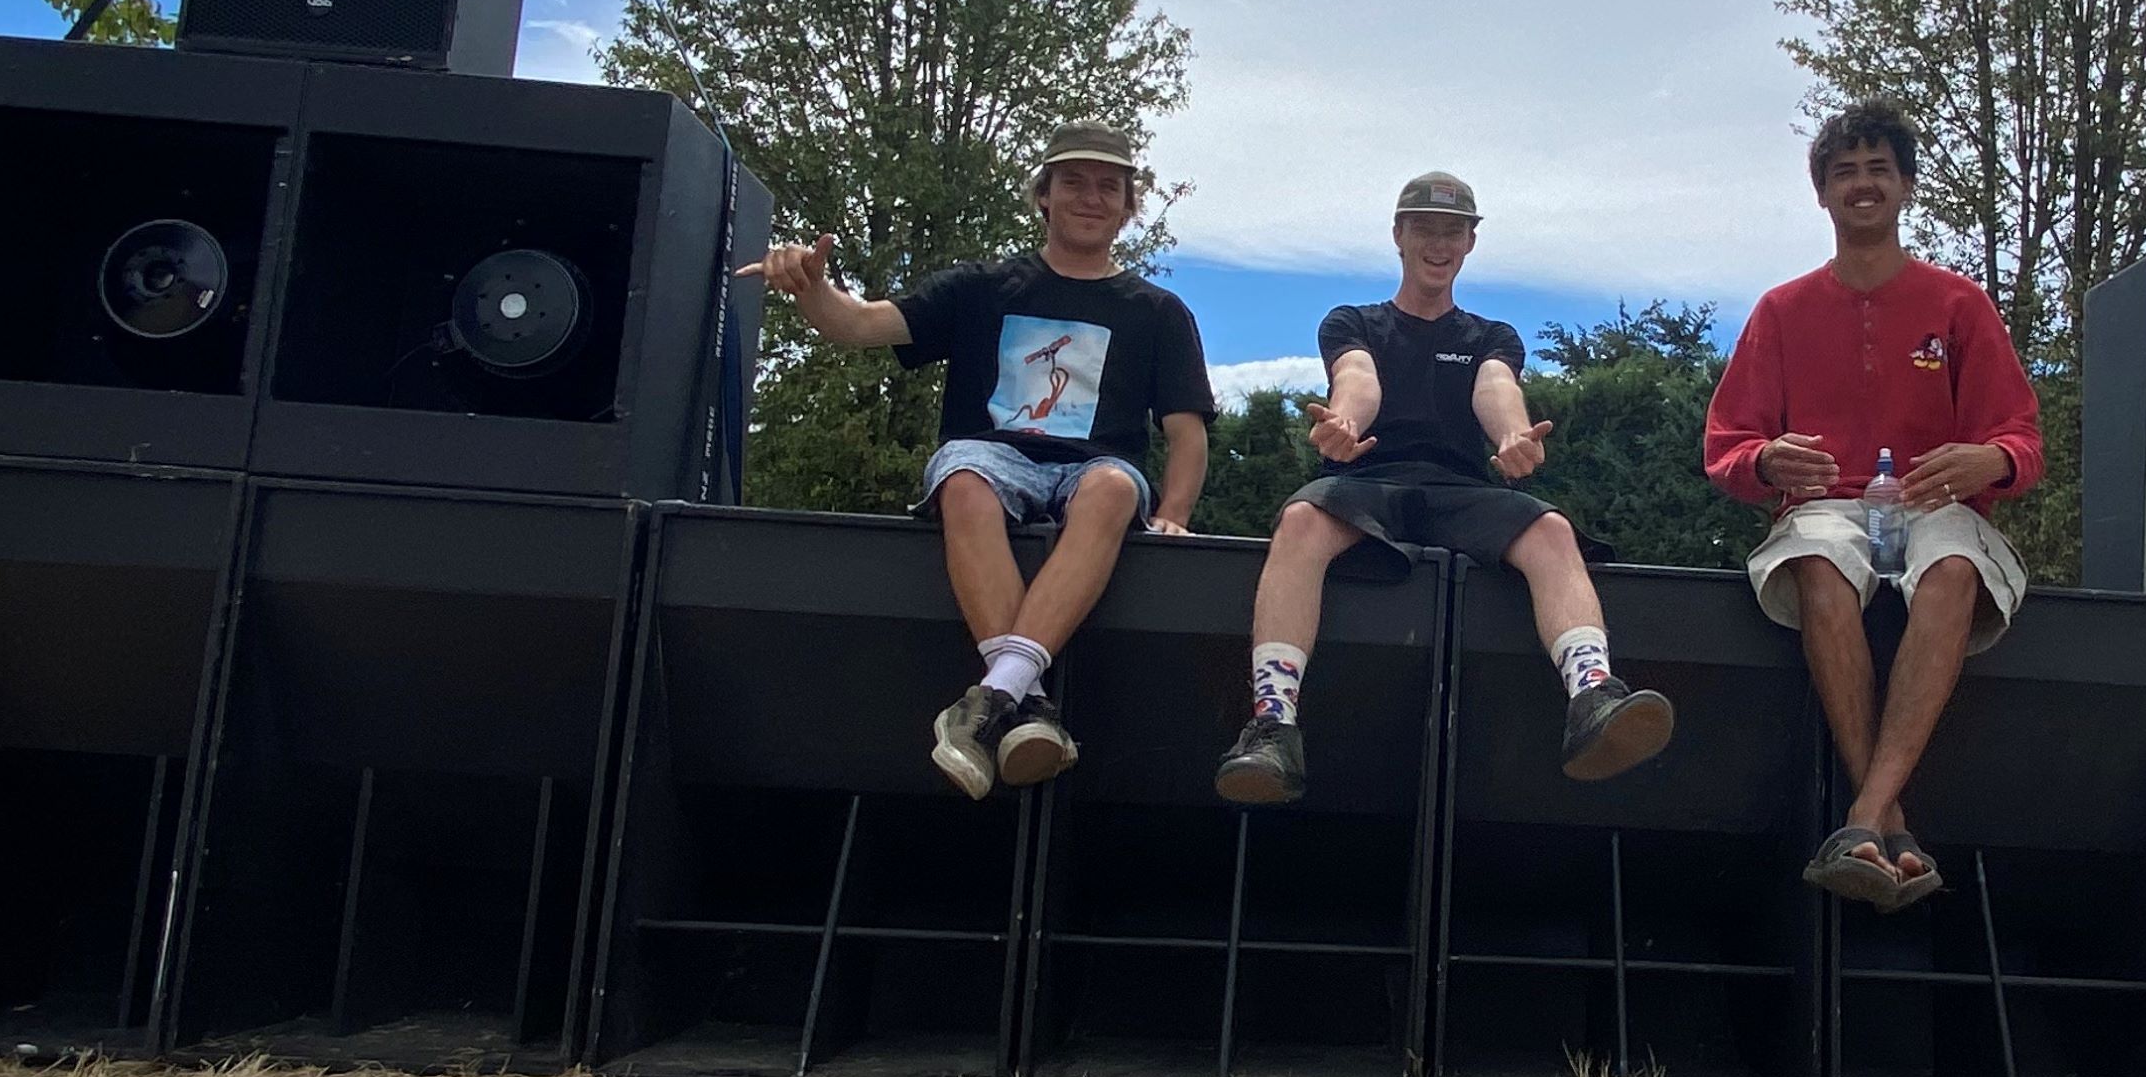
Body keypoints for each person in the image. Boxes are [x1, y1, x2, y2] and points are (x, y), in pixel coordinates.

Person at [748, 121, 1211, 798]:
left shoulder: (1159, 311)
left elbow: (1187, 430)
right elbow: (860, 324)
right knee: (962, 478)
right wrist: (810, 288)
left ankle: (987, 704)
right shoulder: (982, 287)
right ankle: (1021, 704)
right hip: (992, 458)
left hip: (1093, 472)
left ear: (1128, 205)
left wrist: (1173, 515)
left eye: (1109, 186)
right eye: (1074, 182)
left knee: (1113, 488)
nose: (1091, 197)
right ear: (1043, 196)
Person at [1213, 170, 1672, 805]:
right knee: (1299, 521)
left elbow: (1496, 387)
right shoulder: (1353, 321)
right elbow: (1358, 377)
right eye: (1425, 228)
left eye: (1453, 231)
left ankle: (1592, 696)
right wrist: (1346, 420)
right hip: (1366, 481)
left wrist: (1513, 436)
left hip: (1462, 492)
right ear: (1398, 236)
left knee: (1552, 529)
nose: (1439, 243)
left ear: (1470, 243)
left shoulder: (1491, 336)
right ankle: (1273, 726)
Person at [1701, 97, 2044, 910]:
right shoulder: (1781, 311)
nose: (1861, 185)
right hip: (1827, 508)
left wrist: (1985, 458)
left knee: (1957, 564)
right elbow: (1726, 447)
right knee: (1817, 562)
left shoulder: (1959, 305)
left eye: (1877, 170)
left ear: (1906, 188)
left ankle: (1862, 816)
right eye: (1844, 172)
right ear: (1821, 193)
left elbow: (2022, 441)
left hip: (1932, 507)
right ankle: (1888, 820)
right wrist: (1768, 459)